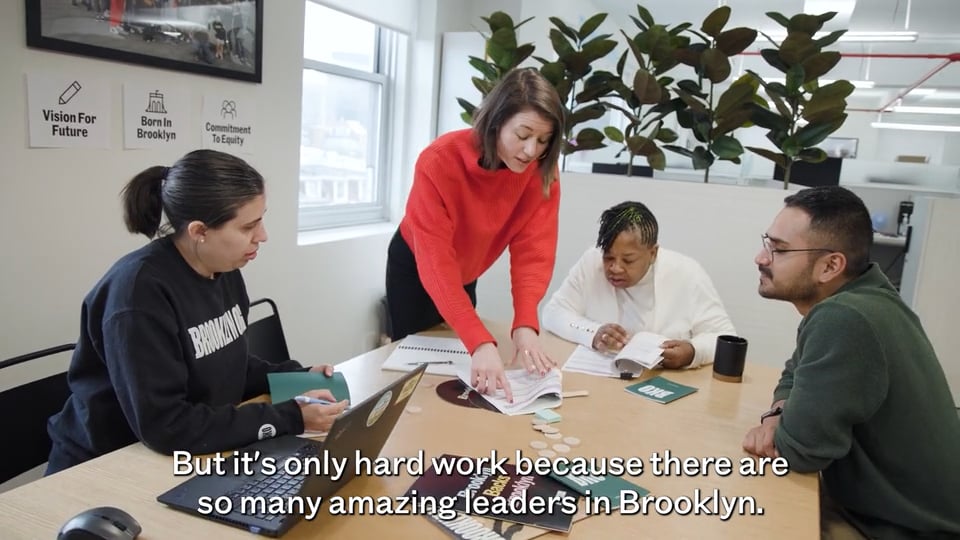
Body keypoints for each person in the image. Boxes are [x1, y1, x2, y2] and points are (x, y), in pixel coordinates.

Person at [46, 149, 349, 475]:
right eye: (249, 226)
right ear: (199, 232)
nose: (262, 236)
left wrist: (296, 379)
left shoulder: (224, 267)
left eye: (261, 221)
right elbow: (167, 425)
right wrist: (290, 416)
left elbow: (225, 365)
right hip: (106, 467)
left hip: (181, 453)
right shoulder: (138, 295)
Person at [741, 186, 960, 539]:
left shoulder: (845, 318)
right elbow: (793, 372)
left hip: (901, 528)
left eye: (778, 249)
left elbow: (800, 451)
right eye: (768, 244)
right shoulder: (864, 298)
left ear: (831, 265)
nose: (761, 258)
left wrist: (782, 428)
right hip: (889, 511)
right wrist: (781, 412)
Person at [385, 67, 564, 401]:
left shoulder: (541, 172)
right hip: (416, 265)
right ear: (496, 122)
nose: (531, 151)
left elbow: (533, 253)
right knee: (421, 371)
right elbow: (437, 264)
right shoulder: (439, 161)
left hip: (467, 268)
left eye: (543, 141)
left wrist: (525, 325)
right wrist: (480, 342)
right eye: (523, 135)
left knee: (461, 362)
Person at [542, 201, 735, 369]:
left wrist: (693, 353)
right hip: (602, 382)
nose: (615, 268)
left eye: (628, 260)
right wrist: (592, 333)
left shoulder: (687, 273)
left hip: (664, 387)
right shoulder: (591, 262)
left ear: (653, 253)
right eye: (608, 257)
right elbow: (553, 313)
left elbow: (725, 337)